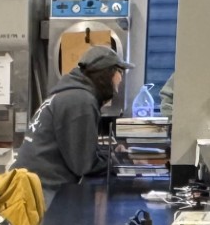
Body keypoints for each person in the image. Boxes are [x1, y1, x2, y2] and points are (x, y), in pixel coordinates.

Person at [13, 46, 129, 196]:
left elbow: (81, 152)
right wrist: (120, 163)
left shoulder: (71, 93)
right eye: (119, 71)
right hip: (39, 195)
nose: (121, 78)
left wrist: (111, 154)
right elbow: (84, 166)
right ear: (107, 74)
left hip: (32, 186)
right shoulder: (81, 101)